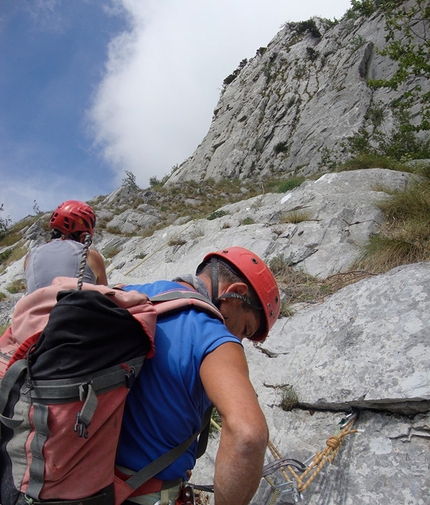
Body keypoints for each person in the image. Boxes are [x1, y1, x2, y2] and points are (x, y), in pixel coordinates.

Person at [116, 246, 280, 505]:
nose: (238, 339)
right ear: (235, 294)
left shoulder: (128, 295)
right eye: (245, 328)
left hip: (78, 482)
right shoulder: (213, 335)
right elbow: (248, 435)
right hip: (142, 496)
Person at [24, 200, 108, 293]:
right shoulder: (91, 256)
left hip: (37, 307)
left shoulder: (30, 257)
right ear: (83, 237)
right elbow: (106, 296)